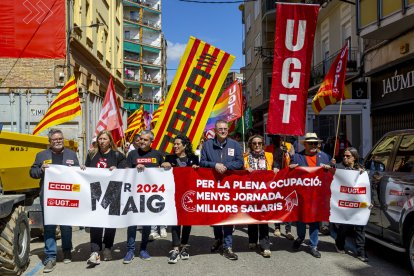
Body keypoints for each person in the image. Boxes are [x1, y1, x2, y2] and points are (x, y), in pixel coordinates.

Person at [30, 129, 80, 273]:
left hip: (66, 196)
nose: (58, 141)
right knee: (49, 226)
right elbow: (32, 173)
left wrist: (80, 168)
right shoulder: (41, 156)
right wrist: (41, 169)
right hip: (48, 197)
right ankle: (50, 256)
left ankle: (66, 251)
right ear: (49, 142)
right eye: (55, 139)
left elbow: (78, 173)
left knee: (66, 225)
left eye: (60, 139)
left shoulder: (71, 154)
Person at [200, 120, 244, 261]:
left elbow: (240, 163)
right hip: (213, 186)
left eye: (225, 129)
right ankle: (218, 239)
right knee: (216, 216)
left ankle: (228, 246)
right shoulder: (207, 145)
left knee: (228, 217)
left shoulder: (235, 145)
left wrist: (226, 166)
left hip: (229, 187)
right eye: (220, 129)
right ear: (215, 130)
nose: (223, 131)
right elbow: (202, 162)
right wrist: (215, 165)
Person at [83, 130, 127, 266]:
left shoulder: (118, 155)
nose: (101, 141)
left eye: (104, 139)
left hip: (113, 191)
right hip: (96, 191)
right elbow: (87, 172)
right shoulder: (92, 154)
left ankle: (107, 247)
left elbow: (125, 170)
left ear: (110, 141)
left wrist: (117, 169)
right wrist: (83, 169)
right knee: (96, 222)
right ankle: (95, 251)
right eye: (100, 139)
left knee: (110, 222)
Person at [123, 130, 164, 264]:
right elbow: (125, 172)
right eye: (140, 139)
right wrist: (134, 168)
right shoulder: (132, 154)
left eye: (145, 140)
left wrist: (166, 165)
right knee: (132, 223)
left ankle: (143, 249)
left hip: (149, 195)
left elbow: (163, 172)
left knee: (146, 223)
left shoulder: (157, 154)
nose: (142, 141)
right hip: (134, 194)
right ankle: (130, 250)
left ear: (151, 141)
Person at [289, 132, 332, 258]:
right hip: (302, 194)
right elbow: (290, 175)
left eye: (316, 143)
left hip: (317, 195)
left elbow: (332, 172)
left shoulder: (324, 156)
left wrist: (330, 167)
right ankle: (300, 237)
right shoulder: (297, 157)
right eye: (311, 143)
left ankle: (313, 245)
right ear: (305, 144)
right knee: (300, 219)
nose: (314, 145)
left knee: (315, 220)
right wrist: (291, 168)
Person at [161, 134, 199, 264]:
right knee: (175, 221)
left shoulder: (194, 158)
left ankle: (184, 246)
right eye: (174, 144)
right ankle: (175, 248)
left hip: (188, 195)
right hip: (174, 195)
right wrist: (163, 164)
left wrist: (196, 169)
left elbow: (199, 175)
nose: (175, 146)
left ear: (185, 145)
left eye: (178, 144)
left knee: (187, 220)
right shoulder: (169, 157)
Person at [244, 135, 278, 258]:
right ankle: (252, 240)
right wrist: (244, 169)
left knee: (263, 219)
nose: (257, 145)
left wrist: (276, 169)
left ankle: (265, 245)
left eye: (259, 143)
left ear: (263, 144)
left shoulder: (269, 155)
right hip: (251, 192)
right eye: (254, 143)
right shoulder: (245, 157)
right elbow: (239, 171)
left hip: (265, 192)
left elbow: (276, 166)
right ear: (251, 145)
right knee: (252, 217)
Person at [334, 147, 368, 262]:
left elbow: (367, 186)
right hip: (344, 203)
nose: (345, 158)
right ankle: (339, 243)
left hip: (358, 203)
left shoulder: (361, 169)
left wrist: (370, 201)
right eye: (344, 155)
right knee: (344, 226)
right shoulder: (338, 167)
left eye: (348, 156)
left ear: (354, 157)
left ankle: (361, 252)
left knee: (360, 227)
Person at [265, 135, 295, 240]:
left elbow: (293, 159)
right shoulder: (268, 148)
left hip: (287, 179)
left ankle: (288, 230)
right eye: (275, 138)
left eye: (279, 137)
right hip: (274, 178)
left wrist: (287, 153)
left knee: (288, 203)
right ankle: (277, 227)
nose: (277, 139)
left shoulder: (289, 145)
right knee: (276, 203)